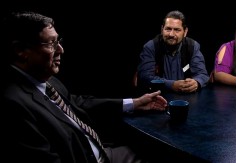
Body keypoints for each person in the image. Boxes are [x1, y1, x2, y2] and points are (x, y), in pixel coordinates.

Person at [0, 11, 167, 163]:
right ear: (21, 50)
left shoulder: (45, 79)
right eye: (50, 43)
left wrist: (135, 103)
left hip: (102, 152)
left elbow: (77, 103)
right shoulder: (12, 105)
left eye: (58, 41)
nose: (61, 50)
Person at [136, 10, 209, 94]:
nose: (171, 34)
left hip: (186, 98)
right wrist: (172, 85)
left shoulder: (192, 46)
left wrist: (196, 83)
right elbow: (145, 77)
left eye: (177, 30)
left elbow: (202, 74)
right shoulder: (151, 47)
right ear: (162, 29)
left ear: (185, 32)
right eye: (168, 29)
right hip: (158, 96)